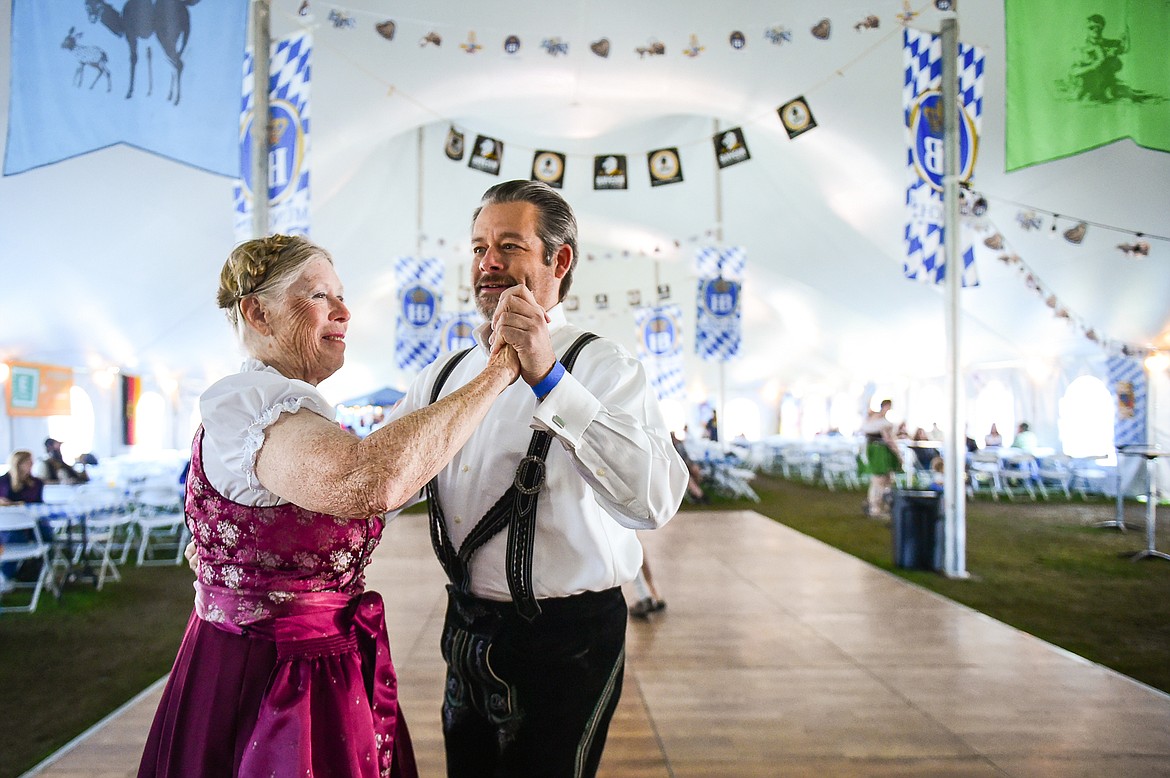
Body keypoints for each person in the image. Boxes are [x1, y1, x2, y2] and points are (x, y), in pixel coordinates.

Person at [140, 234, 523, 778]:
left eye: (340, 296)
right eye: (319, 295)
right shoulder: (248, 404)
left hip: (326, 665)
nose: (345, 311)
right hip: (265, 674)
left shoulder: (296, 416)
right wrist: (498, 373)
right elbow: (368, 480)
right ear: (259, 313)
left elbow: (391, 473)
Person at [383, 180, 689, 778]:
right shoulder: (442, 375)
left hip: (567, 641)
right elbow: (381, 482)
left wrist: (551, 380)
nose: (488, 263)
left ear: (560, 259)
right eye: (478, 248)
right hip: (466, 627)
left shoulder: (603, 365)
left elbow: (654, 501)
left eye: (509, 246)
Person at [860, 399, 901, 518]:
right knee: (879, 479)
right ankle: (875, 506)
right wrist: (897, 451)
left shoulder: (874, 419)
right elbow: (888, 438)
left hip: (877, 450)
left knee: (884, 479)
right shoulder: (880, 421)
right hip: (879, 452)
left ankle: (878, 505)